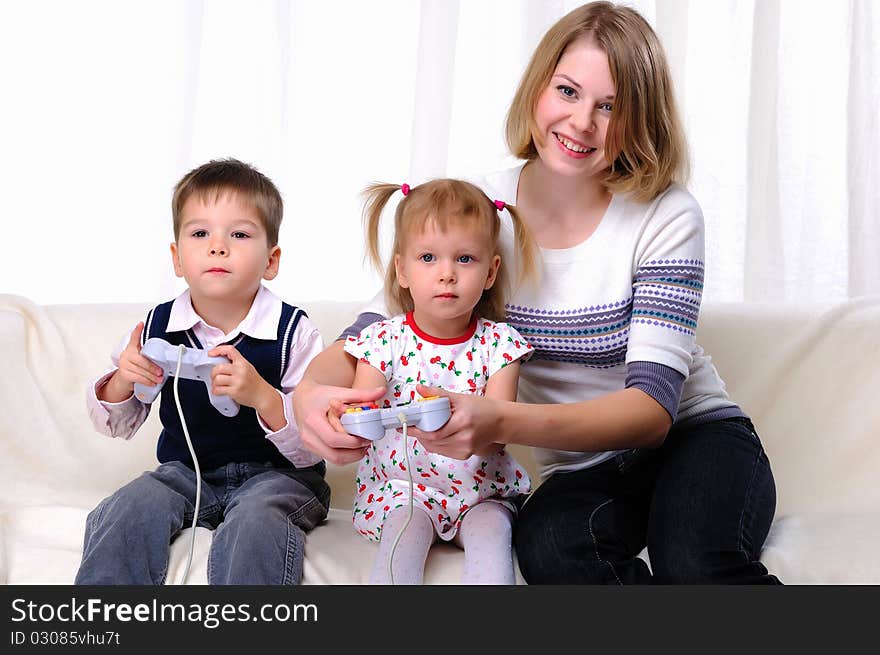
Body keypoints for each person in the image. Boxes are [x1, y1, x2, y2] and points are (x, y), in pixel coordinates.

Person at [294, 1, 779, 585]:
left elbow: (652, 412)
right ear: (538, 88)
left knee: (694, 562)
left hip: (699, 440)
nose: (581, 123)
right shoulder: (482, 206)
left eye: (611, 107)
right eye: (569, 92)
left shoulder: (666, 214)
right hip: (586, 469)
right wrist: (309, 394)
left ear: (640, 121)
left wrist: (499, 420)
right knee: (550, 548)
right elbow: (369, 334)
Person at [77, 158, 330, 585]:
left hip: (277, 478)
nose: (218, 246)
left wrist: (263, 397)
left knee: (257, 519)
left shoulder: (294, 333)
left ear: (271, 260)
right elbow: (115, 424)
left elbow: (313, 448)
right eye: (200, 233)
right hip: (186, 474)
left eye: (239, 234)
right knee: (131, 504)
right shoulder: (155, 327)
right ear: (177, 258)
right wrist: (124, 379)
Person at [332, 179, 537, 584]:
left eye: (464, 259)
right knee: (401, 542)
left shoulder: (500, 346)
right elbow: (363, 409)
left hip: (480, 492)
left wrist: (451, 419)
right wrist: (357, 420)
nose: (447, 274)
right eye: (428, 258)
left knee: (494, 536)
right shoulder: (380, 341)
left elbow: (495, 437)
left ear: (491, 271)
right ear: (402, 270)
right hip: (404, 489)